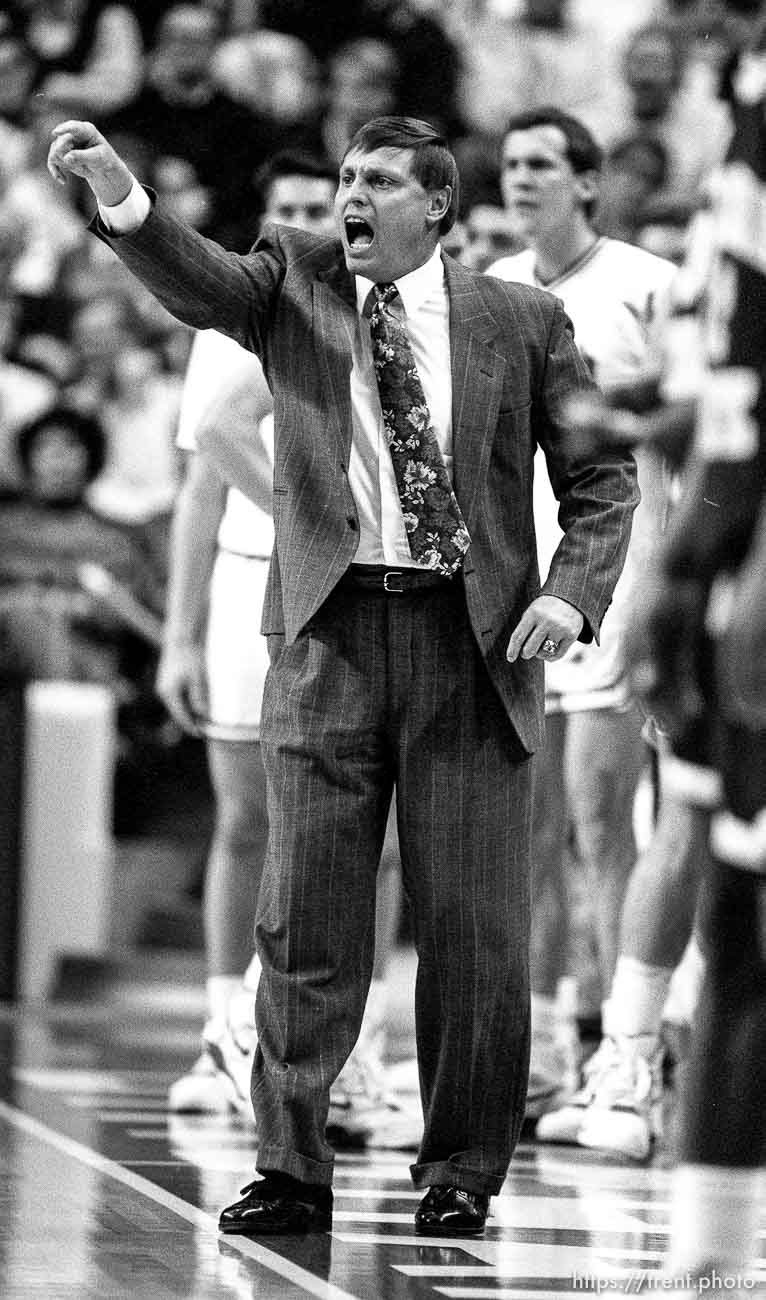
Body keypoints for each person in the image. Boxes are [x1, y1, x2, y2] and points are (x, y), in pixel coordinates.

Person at [47, 113, 639, 1239]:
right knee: (305, 914)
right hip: (328, 637)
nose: (349, 196)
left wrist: (571, 592)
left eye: (374, 181)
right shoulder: (292, 282)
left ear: (437, 205)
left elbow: (603, 476)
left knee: (473, 928)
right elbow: (200, 280)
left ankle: (462, 1169)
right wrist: (123, 196)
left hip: (473, 644)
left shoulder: (523, 320)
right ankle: (290, 1162)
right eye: (344, 177)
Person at [557, 3, 766, 1287]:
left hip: (732, 576)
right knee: (721, 904)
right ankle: (627, 1062)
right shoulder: (731, 210)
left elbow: (728, 413)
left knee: (738, 934)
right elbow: (721, 413)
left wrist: (677, 580)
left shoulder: (737, 198)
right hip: (739, 584)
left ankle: (702, 1248)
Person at [486, 107, 677, 1120]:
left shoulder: (650, 285)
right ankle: (545, 1049)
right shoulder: (493, 290)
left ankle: (626, 1050)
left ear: (589, 183)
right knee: (529, 830)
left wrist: (660, 592)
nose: (522, 180)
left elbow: (685, 454)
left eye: (543, 164)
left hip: (619, 575)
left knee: (604, 818)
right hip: (520, 587)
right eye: (511, 164)